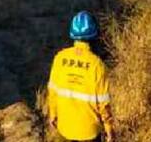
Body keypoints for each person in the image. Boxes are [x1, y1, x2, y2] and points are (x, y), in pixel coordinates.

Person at [46, 11, 115, 142]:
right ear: (95, 35)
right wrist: (109, 129)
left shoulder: (60, 58)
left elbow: (53, 92)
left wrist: (53, 114)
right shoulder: (97, 65)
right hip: (89, 133)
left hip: (65, 129)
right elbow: (103, 104)